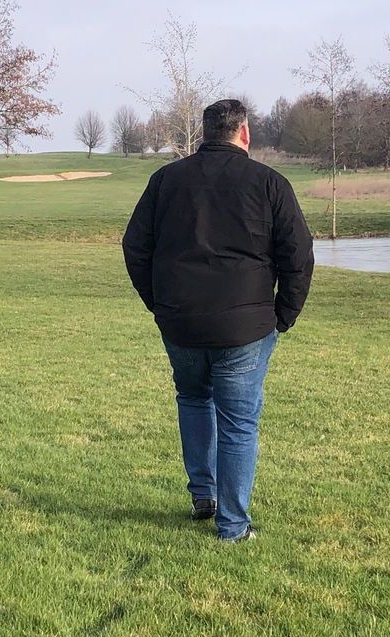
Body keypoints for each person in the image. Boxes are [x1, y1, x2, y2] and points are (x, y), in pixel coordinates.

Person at [121, 99, 315, 543]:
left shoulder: (165, 181)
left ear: (205, 132)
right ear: (244, 133)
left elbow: (135, 247)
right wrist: (284, 314)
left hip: (182, 321)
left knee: (193, 399)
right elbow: (299, 255)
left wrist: (159, 303)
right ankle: (232, 525)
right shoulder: (269, 182)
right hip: (244, 327)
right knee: (238, 422)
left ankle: (204, 496)